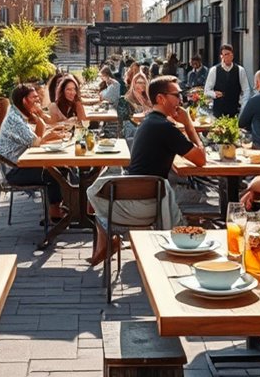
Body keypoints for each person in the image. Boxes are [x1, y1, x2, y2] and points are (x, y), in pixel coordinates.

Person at [86, 75, 207, 265]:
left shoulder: (149, 122)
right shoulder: (165, 128)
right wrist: (189, 125)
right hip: (150, 205)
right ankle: (193, 252)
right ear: (161, 98)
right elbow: (201, 159)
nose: (181, 101)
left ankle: (108, 238)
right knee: (200, 197)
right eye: (177, 95)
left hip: (125, 201)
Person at [0, 84, 73, 220]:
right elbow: (36, 142)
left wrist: (41, 120)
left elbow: (36, 138)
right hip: (14, 171)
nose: (38, 101)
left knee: (63, 168)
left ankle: (64, 206)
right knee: (54, 172)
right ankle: (55, 212)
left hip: (22, 164)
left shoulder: (18, 114)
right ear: (24, 100)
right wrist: (48, 131)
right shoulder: (15, 120)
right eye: (34, 98)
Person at [204, 44, 251, 117]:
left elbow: (246, 90)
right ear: (221, 56)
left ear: (232, 55)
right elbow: (206, 91)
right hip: (218, 112)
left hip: (235, 110)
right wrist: (214, 94)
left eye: (228, 54)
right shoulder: (214, 70)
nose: (226, 57)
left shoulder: (240, 70)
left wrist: (243, 105)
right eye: (224, 55)